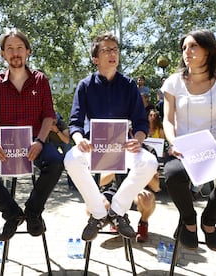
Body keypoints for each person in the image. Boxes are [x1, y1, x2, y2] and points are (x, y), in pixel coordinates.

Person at [0, 29, 64, 241]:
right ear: (3, 54)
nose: (15, 53)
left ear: (28, 51)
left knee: (56, 161)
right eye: (9, 49)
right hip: (4, 145)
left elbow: (49, 116)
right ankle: (12, 214)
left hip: (34, 145)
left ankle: (32, 212)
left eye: (19, 48)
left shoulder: (40, 80)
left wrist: (40, 141)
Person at [64, 32, 158, 241]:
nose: (112, 53)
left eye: (115, 49)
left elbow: (141, 123)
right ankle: (98, 214)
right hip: (94, 147)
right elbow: (75, 123)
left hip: (122, 147)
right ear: (96, 59)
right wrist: (80, 140)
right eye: (106, 50)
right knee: (71, 159)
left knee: (150, 161)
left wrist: (139, 140)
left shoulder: (129, 85)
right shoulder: (85, 85)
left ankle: (116, 211)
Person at [162, 29, 216, 252]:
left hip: (213, 146)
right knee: (172, 174)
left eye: (192, 46)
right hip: (183, 148)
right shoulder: (173, 82)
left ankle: (209, 221)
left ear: (208, 50)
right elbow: (168, 120)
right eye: (184, 48)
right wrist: (173, 142)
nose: (186, 52)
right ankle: (188, 222)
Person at [47, 111, 74, 189]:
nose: (53, 122)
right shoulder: (46, 124)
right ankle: (49, 183)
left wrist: (57, 131)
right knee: (51, 160)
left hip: (63, 142)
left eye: (54, 121)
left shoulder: (62, 124)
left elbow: (66, 140)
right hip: (52, 143)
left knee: (70, 159)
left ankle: (72, 183)